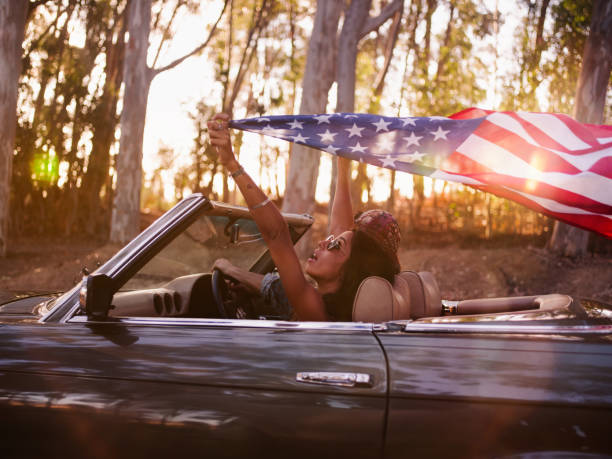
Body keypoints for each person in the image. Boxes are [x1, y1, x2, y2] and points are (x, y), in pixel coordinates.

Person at [207, 113, 401, 321]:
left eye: (334, 246)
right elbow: (340, 231)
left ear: (349, 272)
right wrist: (342, 163)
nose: (324, 242)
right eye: (332, 240)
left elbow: (277, 235)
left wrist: (232, 165)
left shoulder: (316, 312)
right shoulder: (340, 310)